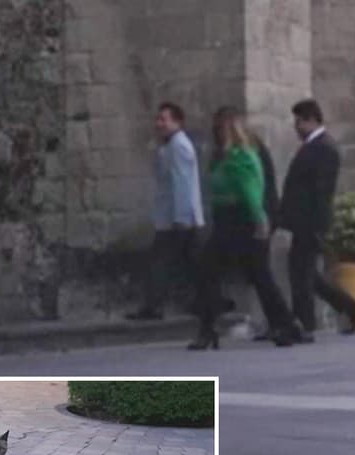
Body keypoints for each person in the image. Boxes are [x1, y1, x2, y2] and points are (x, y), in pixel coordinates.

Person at [190, 106, 303, 350]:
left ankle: (285, 325)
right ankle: (285, 325)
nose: (215, 132)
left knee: (245, 273)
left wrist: (261, 220)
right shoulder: (226, 155)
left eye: (218, 126)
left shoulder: (239, 155)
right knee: (248, 274)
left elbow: (251, 191)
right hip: (229, 220)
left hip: (240, 221)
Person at [278, 99, 355, 341]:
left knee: (301, 275)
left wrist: (317, 226)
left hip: (310, 222)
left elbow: (322, 191)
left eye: (299, 122)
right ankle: (351, 308)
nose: (296, 127)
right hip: (302, 221)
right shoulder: (313, 146)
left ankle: (304, 326)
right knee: (307, 274)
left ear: (311, 120)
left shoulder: (325, 148)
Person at [127, 102, 206, 321]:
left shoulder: (178, 146)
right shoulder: (170, 146)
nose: (158, 123)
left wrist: (181, 218)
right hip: (176, 217)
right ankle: (203, 302)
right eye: (158, 119)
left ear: (177, 122)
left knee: (162, 261)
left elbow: (182, 184)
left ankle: (155, 306)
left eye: (164, 119)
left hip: (176, 219)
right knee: (186, 262)